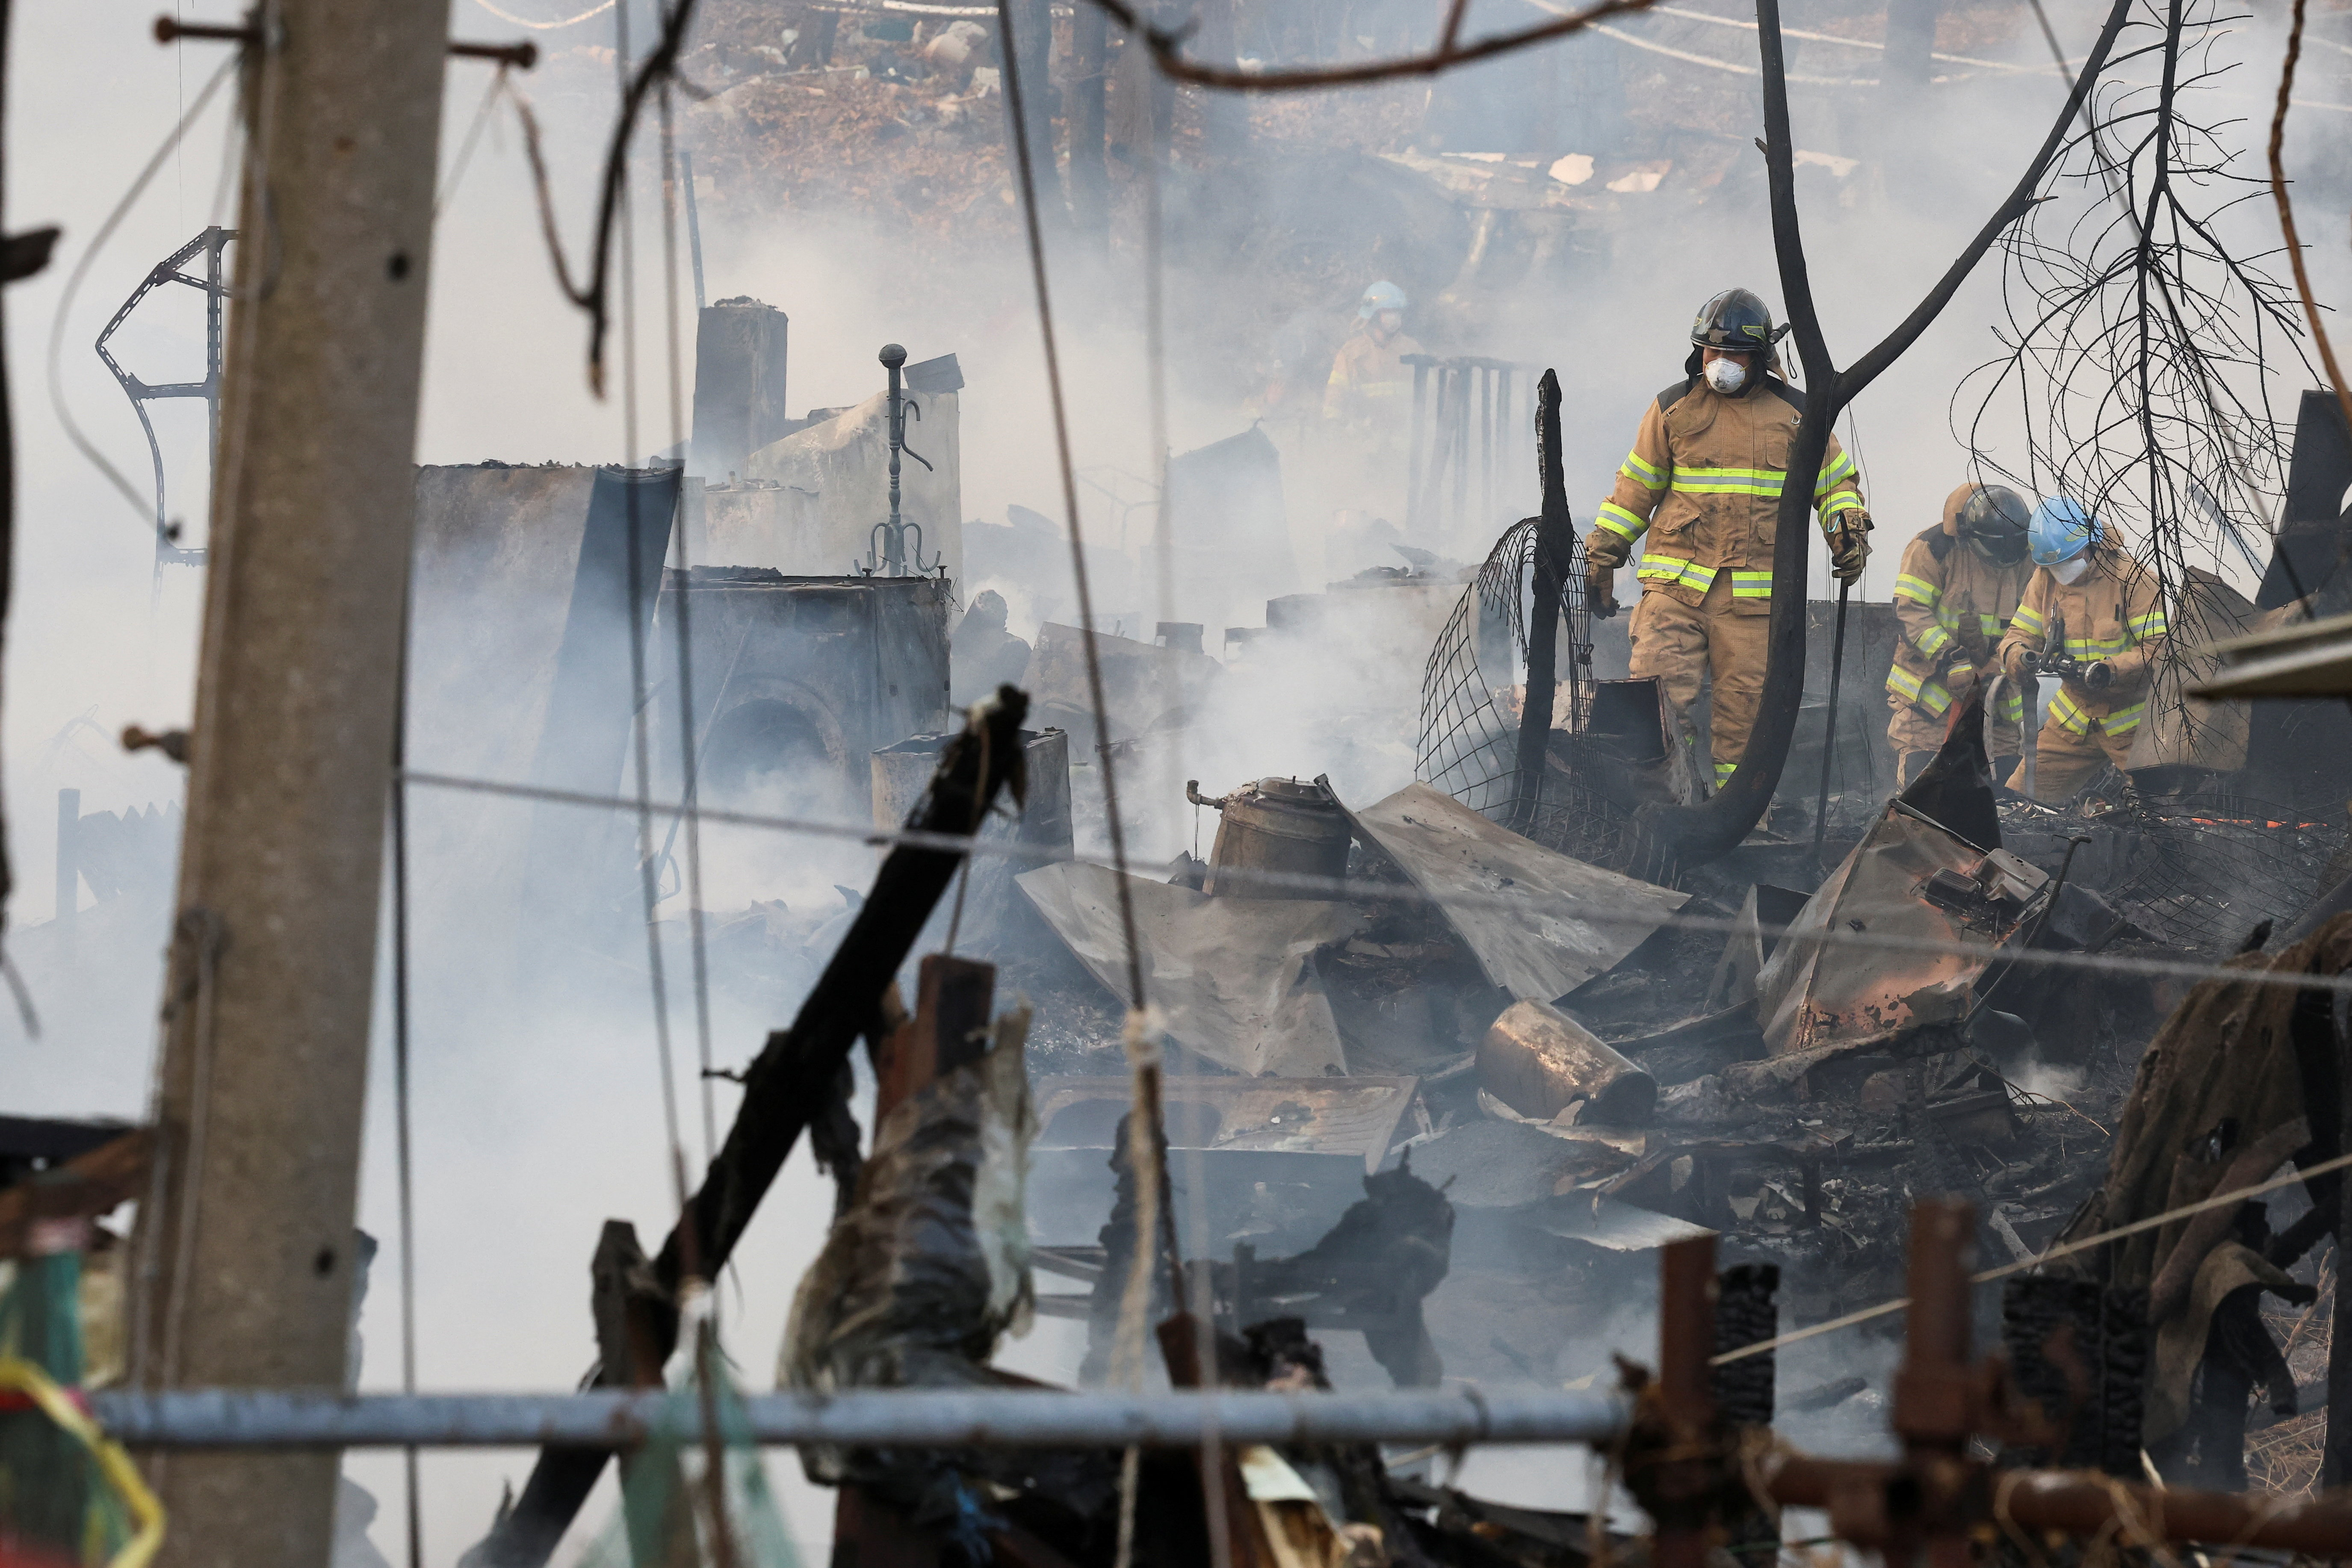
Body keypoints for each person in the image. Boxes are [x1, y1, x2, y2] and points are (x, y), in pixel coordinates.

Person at [1582, 288, 1872, 788]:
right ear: (1699, 353)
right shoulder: (1673, 409)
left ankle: (1737, 831)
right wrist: (1601, 557)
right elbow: (1634, 490)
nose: (1721, 364)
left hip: (1753, 605)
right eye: (1713, 352)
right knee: (1657, 702)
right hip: (1674, 594)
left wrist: (1847, 534)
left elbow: (1835, 485)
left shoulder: (1797, 414)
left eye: (1734, 354)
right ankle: (1658, 810)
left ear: (1759, 357)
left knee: (1745, 724)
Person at [1995, 497, 2171, 801]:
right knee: (2025, 798)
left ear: (2091, 543)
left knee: (2161, 809)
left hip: (2134, 726)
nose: (2061, 570)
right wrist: (2017, 655)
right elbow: (2020, 632)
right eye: (2053, 564)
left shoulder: (2134, 579)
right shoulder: (2045, 578)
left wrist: (2110, 670)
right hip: (2073, 719)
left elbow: (2159, 650)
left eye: (2067, 559)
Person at [1887, 482, 2035, 788]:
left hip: (1997, 701)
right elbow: (1910, 611)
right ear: (1970, 536)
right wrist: (1951, 660)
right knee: (1926, 793)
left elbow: (2035, 623)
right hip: (1933, 700)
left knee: (2005, 796)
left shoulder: (2024, 556)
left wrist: (2001, 663)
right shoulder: (1933, 549)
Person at [1322, 281, 1421, 435]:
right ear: (1373, 316)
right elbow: (1336, 391)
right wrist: (1333, 424)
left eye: (1397, 311)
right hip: (1364, 436)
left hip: (1405, 436)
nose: (1394, 317)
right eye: (1388, 311)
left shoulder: (1413, 349)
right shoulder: (1351, 352)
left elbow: (1430, 393)